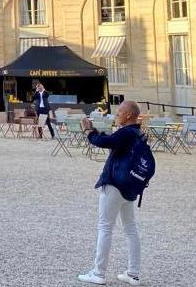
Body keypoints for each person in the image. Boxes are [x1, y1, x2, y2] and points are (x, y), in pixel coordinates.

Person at [77, 100, 144, 286]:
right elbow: (112, 141)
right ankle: (133, 273)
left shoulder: (127, 132)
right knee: (131, 228)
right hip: (129, 186)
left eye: (120, 111)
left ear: (129, 115)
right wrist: (96, 132)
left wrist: (89, 131)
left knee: (105, 227)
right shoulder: (137, 133)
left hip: (115, 184)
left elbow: (105, 142)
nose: (117, 114)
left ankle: (99, 273)